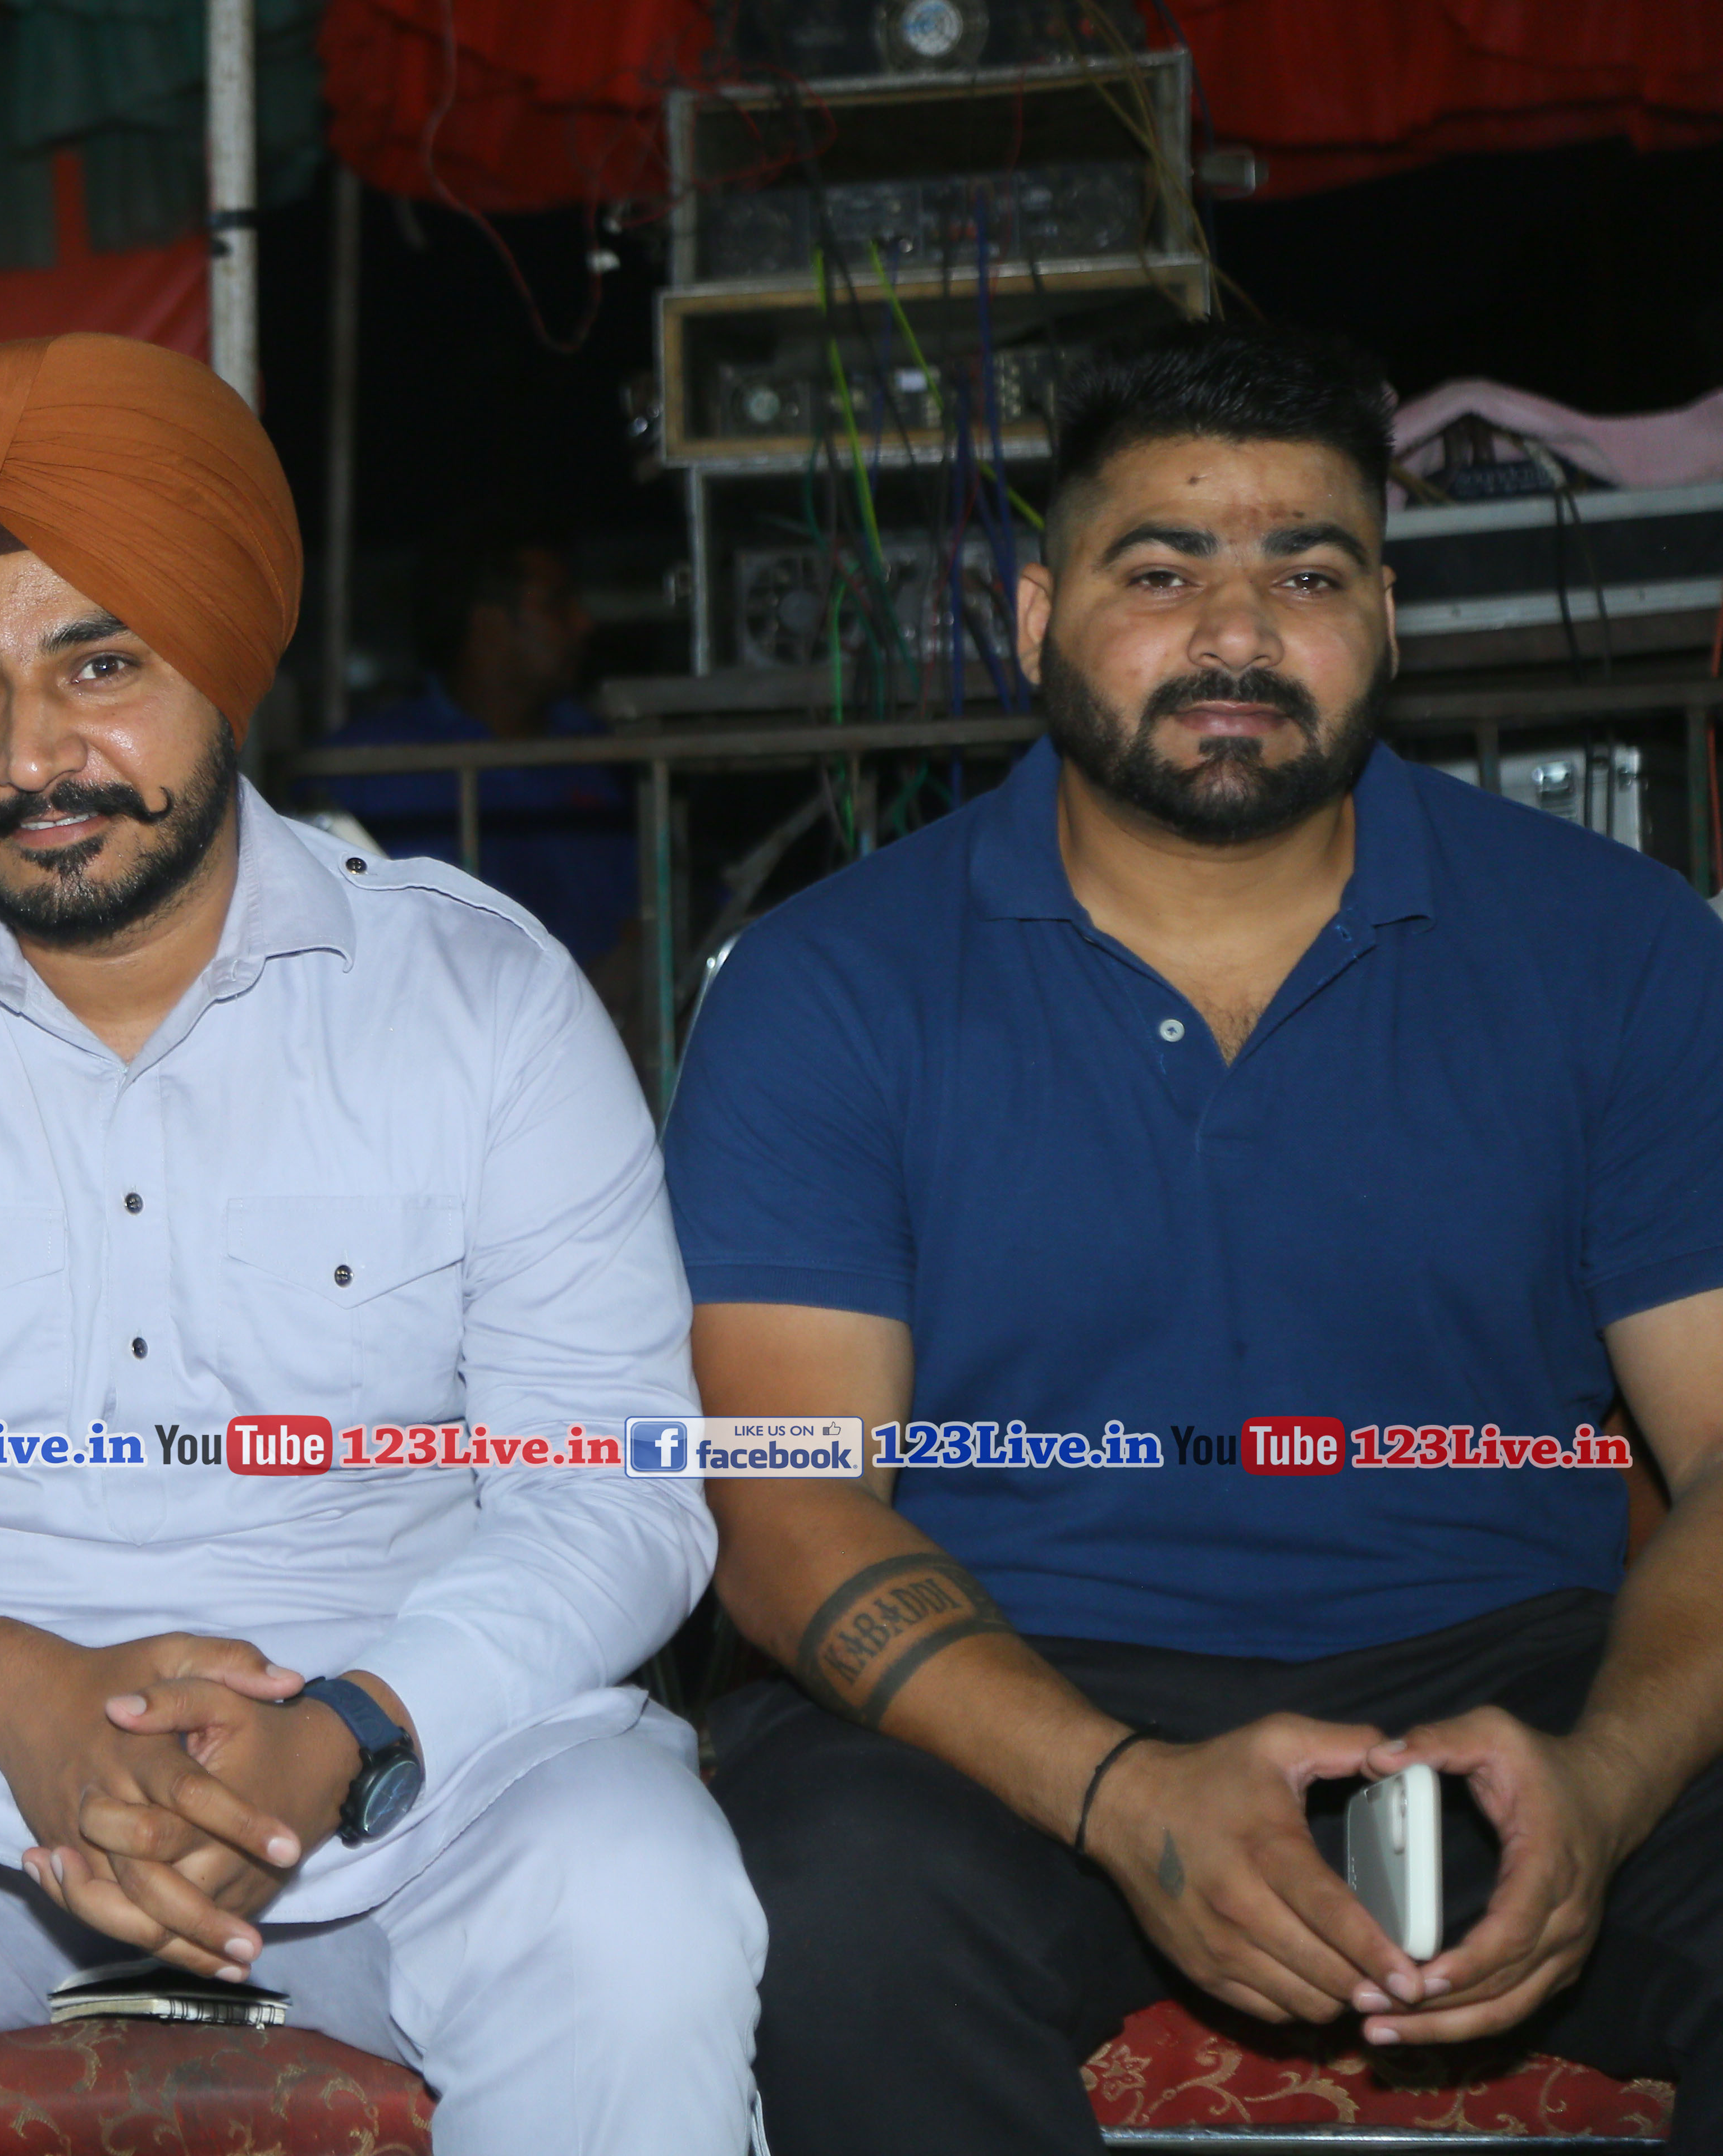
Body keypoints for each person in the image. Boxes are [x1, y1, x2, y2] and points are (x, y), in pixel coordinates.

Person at [0, 332, 762, 2156]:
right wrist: (17, 1694)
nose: (33, 755)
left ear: (226, 662)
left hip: (390, 1797)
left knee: (638, 1897)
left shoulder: (478, 996)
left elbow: (616, 1494)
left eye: (100, 665)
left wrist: (345, 1726)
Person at [663, 321, 1723, 2155]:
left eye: (1307, 575)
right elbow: (784, 1505)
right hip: (1017, 1688)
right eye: (1160, 574)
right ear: (1034, 618)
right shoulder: (830, 985)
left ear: (1387, 618)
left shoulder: (1618, 948)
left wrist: (1611, 1781)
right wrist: (1122, 1793)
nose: (1238, 636)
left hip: (1512, 1687)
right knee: (818, 1908)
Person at [317, 522, 637, 970]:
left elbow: (660, 909)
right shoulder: (363, 769)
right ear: (487, 623)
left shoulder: (611, 755)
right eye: (556, 604)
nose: (584, 623)